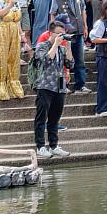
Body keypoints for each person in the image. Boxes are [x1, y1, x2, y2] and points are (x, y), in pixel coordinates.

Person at [33, 20, 73, 158]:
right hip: (45, 85)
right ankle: (40, 146)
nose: (61, 36)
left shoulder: (62, 48)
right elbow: (45, 60)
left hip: (60, 86)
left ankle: (54, 145)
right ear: (51, 33)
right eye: (59, 34)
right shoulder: (42, 46)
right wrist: (55, 44)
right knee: (41, 117)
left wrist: (68, 48)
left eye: (63, 34)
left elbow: (70, 64)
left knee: (55, 118)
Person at [50, 0, 90, 94]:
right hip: (65, 34)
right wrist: (53, 31)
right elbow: (53, 14)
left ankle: (80, 85)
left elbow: (83, 10)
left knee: (80, 60)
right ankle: (63, 85)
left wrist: (85, 26)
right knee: (63, 60)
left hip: (78, 30)